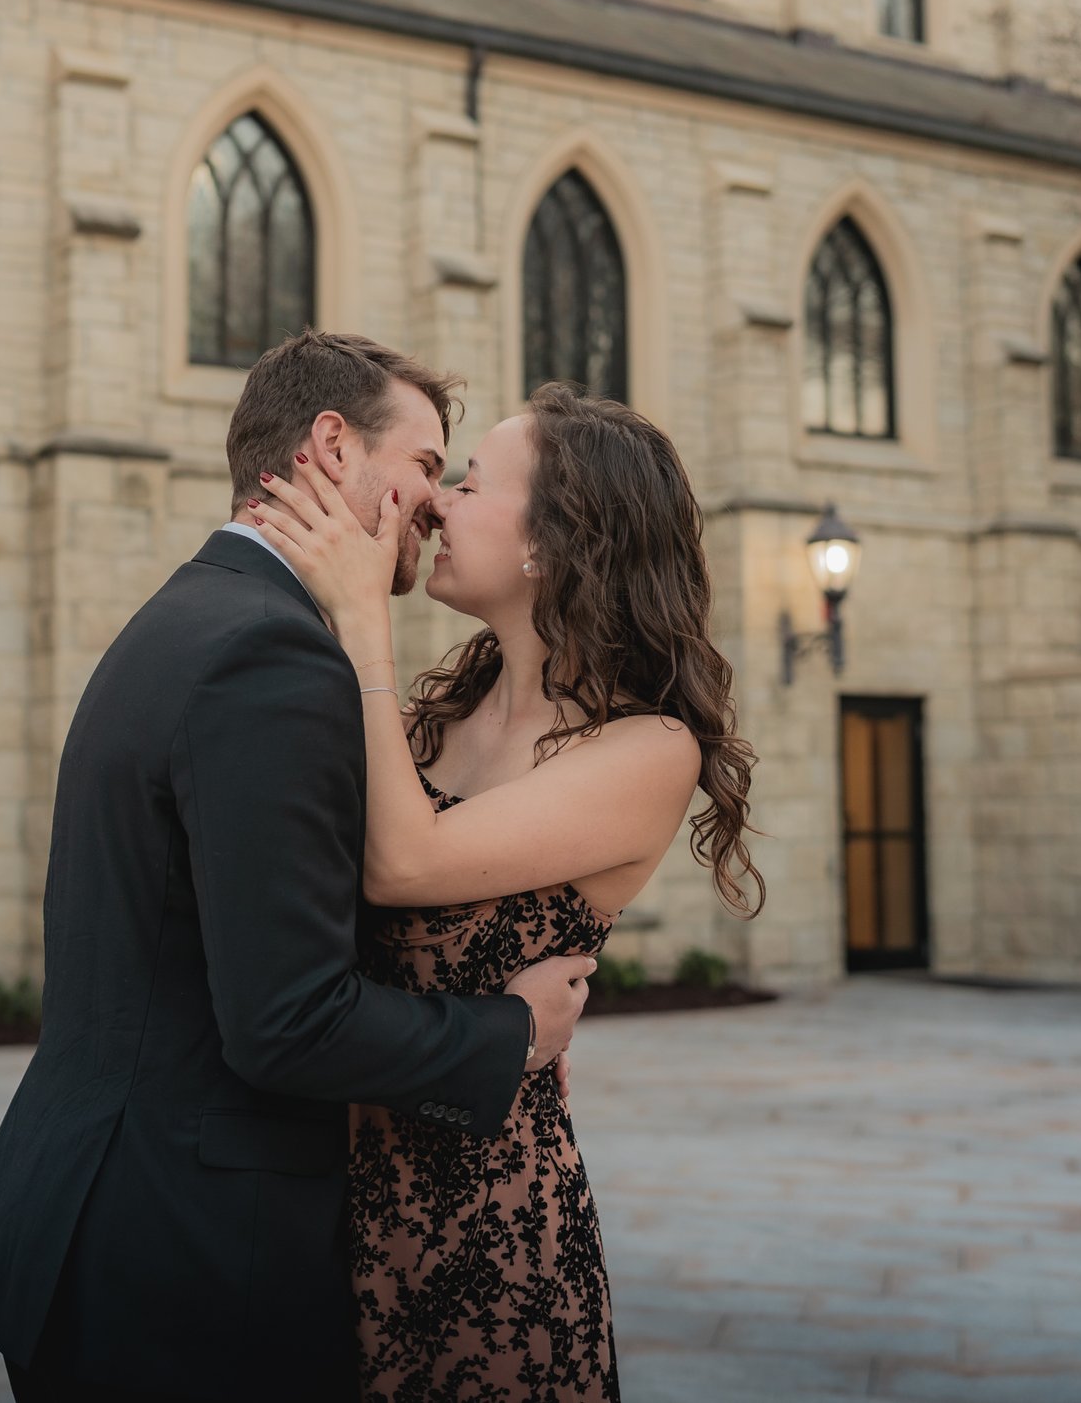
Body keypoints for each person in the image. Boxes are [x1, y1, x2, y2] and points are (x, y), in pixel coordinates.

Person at [0, 331, 599, 1403]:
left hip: (101, 1223)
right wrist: (510, 1031)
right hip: (187, 1263)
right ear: (332, 448)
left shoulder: (192, 613)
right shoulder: (273, 654)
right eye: (425, 465)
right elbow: (288, 1020)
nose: (434, 504)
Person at [248, 380, 762, 1402]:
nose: (438, 502)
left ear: (552, 545)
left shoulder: (647, 749)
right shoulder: (438, 714)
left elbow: (401, 864)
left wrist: (359, 613)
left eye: (473, 483)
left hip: (489, 1228)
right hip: (334, 1197)